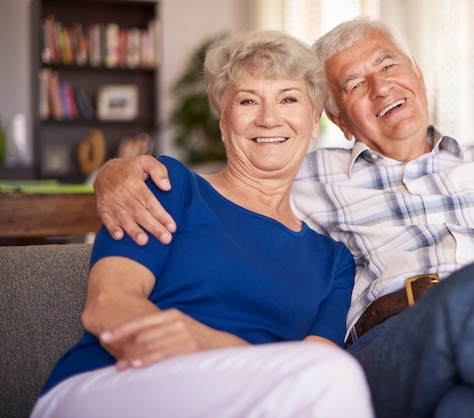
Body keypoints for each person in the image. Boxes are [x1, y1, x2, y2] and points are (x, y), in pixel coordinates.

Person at [92, 18, 474, 417]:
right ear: (339, 121)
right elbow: (217, 188)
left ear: (416, 74)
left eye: (388, 65)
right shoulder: (301, 171)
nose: (380, 86)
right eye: (353, 84)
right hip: (393, 346)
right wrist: (114, 172)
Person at [31, 30, 375, 418]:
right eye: (248, 100)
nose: (268, 118)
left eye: (289, 99)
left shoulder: (334, 261)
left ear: (314, 120)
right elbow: (108, 307)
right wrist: (196, 351)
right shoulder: (168, 186)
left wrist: (211, 345)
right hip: (112, 381)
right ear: (223, 121)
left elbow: (314, 371)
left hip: (248, 400)